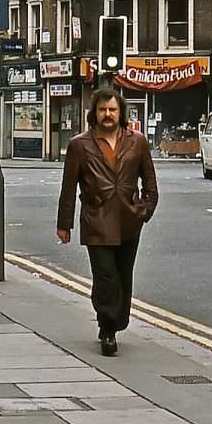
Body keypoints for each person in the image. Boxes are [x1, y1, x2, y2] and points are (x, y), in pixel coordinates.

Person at [57, 88, 159, 357]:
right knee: (105, 276)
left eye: (112, 110)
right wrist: (64, 224)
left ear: (121, 113)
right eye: (103, 110)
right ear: (95, 113)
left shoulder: (137, 142)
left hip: (128, 221)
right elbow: (68, 188)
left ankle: (117, 320)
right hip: (97, 220)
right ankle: (107, 328)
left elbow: (150, 182)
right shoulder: (80, 145)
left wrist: (144, 210)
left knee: (123, 276)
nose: (108, 114)